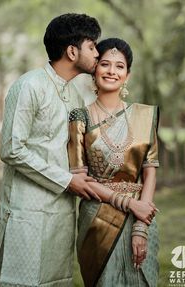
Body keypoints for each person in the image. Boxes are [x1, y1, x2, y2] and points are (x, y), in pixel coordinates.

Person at [0, 13, 102, 287]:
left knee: (56, 280)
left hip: (62, 211)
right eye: (92, 46)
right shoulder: (29, 85)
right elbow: (12, 149)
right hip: (27, 211)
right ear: (72, 51)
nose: (97, 53)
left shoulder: (75, 95)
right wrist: (66, 180)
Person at [68, 38, 160, 287]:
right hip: (97, 216)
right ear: (94, 70)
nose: (111, 71)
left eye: (119, 66)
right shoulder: (80, 116)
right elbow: (79, 178)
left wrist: (141, 225)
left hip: (141, 214)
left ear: (127, 75)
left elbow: (149, 172)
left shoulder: (144, 115)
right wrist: (128, 203)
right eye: (105, 64)